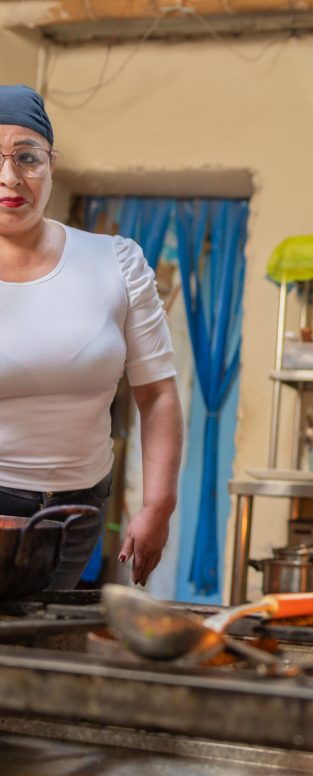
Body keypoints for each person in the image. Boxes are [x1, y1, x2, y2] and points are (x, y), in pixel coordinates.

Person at [0, 84, 183, 589]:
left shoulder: (115, 262)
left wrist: (158, 506)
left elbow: (158, 392)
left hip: (78, 510)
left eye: (27, 157)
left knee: (45, 651)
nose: (9, 177)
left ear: (51, 163)